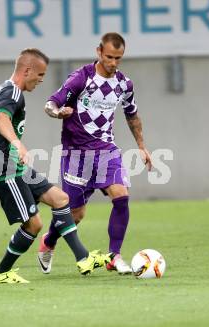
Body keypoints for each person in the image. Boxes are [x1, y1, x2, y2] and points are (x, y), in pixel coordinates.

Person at [0, 48, 112, 284]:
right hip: (4, 171)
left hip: (14, 166)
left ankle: (83, 258)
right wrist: (14, 144)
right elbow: (0, 119)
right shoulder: (13, 94)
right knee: (34, 224)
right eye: (40, 74)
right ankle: (2, 272)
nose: (41, 80)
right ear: (27, 70)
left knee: (60, 199)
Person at [38, 32, 152, 275]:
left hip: (106, 151)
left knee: (121, 195)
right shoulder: (81, 78)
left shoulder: (124, 84)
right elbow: (51, 103)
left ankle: (114, 255)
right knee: (75, 215)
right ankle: (49, 242)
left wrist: (141, 146)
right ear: (99, 51)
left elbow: (132, 114)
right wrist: (58, 113)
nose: (113, 62)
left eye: (118, 58)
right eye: (109, 56)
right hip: (76, 154)